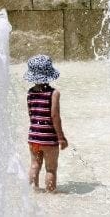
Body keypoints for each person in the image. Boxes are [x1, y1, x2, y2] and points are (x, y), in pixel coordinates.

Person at [24, 54, 68, 192]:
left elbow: (31, 114)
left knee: (34, 165)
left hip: (34, 138)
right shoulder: (54, 93)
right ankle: (51, 195)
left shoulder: (30, 93)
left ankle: (31, 191)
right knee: (51, 169)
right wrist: (61, 137)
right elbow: (55, 116)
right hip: (48, 139)